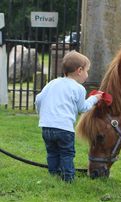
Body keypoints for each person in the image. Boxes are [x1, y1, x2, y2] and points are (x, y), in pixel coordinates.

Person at [35, 50, 102, 182]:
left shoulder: (52, 83)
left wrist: (42, 114)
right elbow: (82, 108)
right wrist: (95, 98)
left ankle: (54, 174)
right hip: (64, 129)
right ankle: (68, 178)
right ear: (79, 70)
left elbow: (38, 99)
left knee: (52, 152)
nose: (87, 74)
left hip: (46, 126)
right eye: (87, 71)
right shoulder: (78, 88)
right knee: (67, 154)